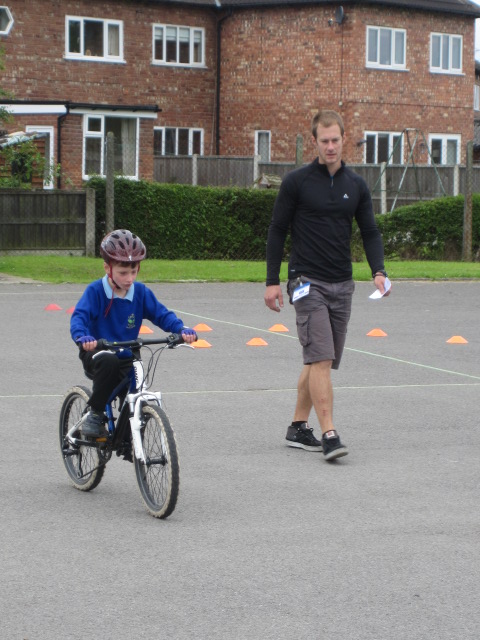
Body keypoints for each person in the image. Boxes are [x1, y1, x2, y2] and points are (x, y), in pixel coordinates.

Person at [264, 109, 390, 461]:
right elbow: (277, 230)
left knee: (320, 361)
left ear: (342, 139)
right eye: (324, 141)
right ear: (315, 141)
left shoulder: (356, 185)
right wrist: (273, 281)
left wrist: (378, 271)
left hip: (342, 284)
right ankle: (329, 434)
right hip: (306, 282)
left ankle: (297, 427)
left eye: (335, 140)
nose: (331, 146)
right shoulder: (297, 182)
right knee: (320, 357)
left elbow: (370, 231)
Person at [70, 229, 197, 438]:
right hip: (97, 352)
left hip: (127, 354)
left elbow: (162, 314)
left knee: (137, 385)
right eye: (122, 273)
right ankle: (95, 413)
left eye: (134, 271)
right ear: (107, 268)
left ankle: (130, 441)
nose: (129, 278)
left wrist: (180, 329)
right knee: (110, 363)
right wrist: (82, 336)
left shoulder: (140, 293)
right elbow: (79, 318)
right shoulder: (95, 292)